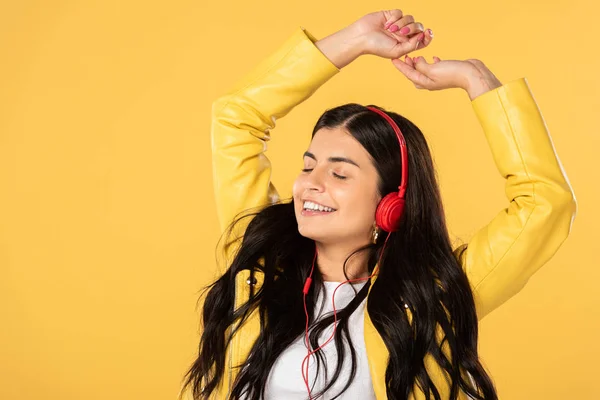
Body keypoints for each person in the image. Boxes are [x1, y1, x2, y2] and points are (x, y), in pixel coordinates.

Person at [179, 8, 577, 400]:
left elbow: (544, 203)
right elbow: (235, 117)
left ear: (390, 203)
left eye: (339, 174)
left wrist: (476, 79)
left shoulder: (430, 297)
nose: (309, 186)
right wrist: (355, 40)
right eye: (308, 166)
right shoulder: (261, 259)